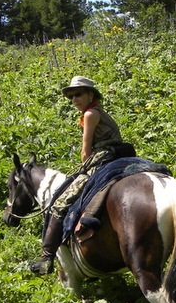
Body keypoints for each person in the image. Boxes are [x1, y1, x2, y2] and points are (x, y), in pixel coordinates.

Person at [29, 76, 126, 275]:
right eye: (71, 96)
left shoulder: (90, 114)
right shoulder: (98, 112)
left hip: (102, 159)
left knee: (60, 202)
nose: (74, 99)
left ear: (91, 94)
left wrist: (84, 167)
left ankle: (47, 256)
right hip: (118, 155)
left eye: (78, 94)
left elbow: (85, 150)